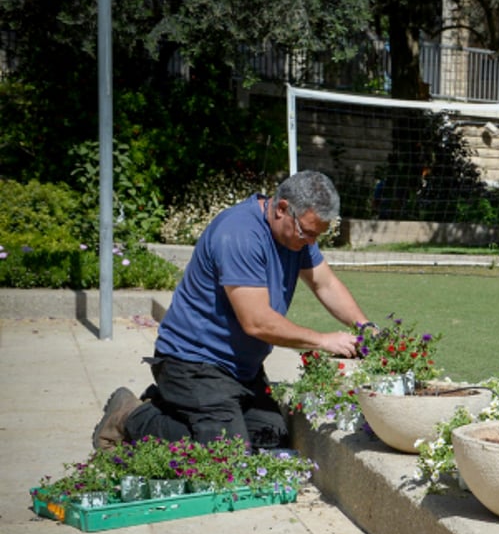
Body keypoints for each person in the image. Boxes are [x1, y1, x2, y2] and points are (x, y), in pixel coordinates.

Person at [93, 170, 371, 452]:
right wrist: (324, 340)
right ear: (283, 209)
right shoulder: (240, 233)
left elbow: (325, 284)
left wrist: (365, 328)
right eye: (308, 233)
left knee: (272, 438)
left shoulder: (296, 236)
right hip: (191, 363)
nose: (311, 242)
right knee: (230, 453)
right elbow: (257, 322)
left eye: (317, 235)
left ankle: (172, 406)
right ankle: (130, 416)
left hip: (241, 370)